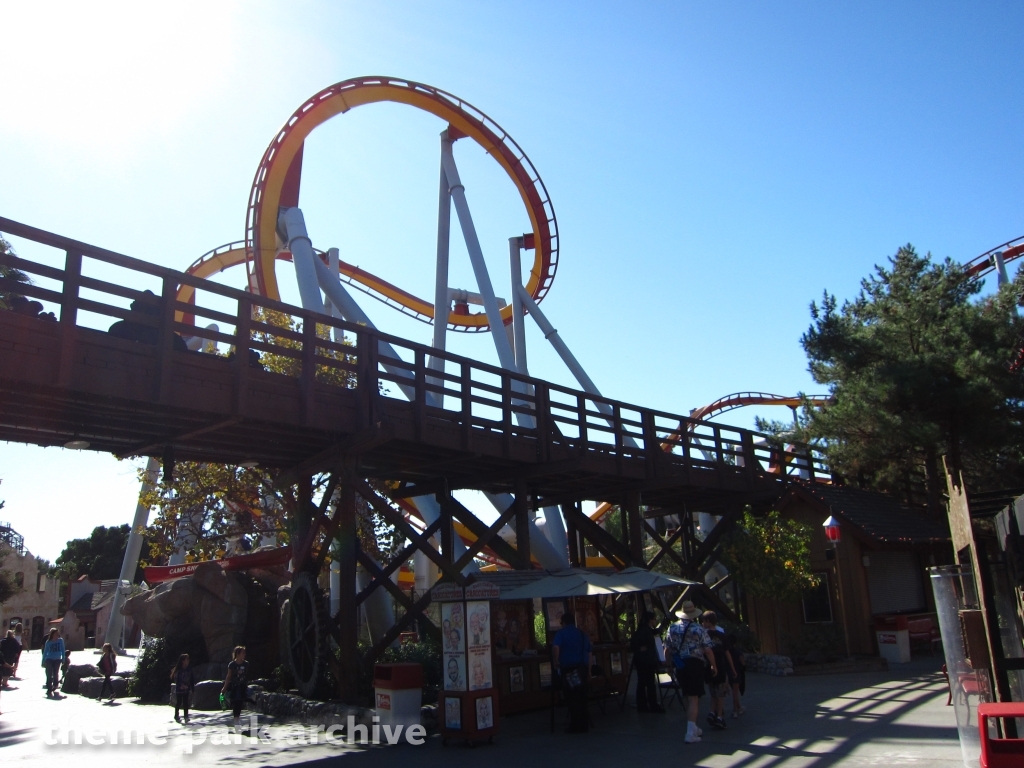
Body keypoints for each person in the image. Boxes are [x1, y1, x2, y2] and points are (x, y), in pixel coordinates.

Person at [665, 601, 717, 743]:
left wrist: (669, 666)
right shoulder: (698, 629)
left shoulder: (672, 628)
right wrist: (714, 665)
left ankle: (693, 726)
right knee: (694, 697)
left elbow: (667, 648)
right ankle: (690, 733)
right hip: (695, 663)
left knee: (687, 695)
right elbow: (707, 649)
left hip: (680, 664)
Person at [551, 611, 594, 734]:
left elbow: (555, 647)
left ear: (563, 622)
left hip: (569, 669)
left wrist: (556, 661)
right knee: (582, 697)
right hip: (582, 669)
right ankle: (584, 725)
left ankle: (575, 725)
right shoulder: (582, 634)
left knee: (572, 697)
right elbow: (590, 654)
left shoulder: (561, 634)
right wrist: (589, 670)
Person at [700, 611, 735, 731]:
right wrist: (732, 668)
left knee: (713, 691)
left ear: (708, 622)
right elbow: (727, 653)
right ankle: (719, 716)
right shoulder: (722, 636)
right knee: (721, 693)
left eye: (704, 621)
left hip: (707, 667)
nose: (702, 623)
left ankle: (711, 712)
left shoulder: (704, 636)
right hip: (720, 666)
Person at [630, 611, 663, 713]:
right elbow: (635, 643)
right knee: (649, 683)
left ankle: (643, 704)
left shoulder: (644, 629)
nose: (655, 621)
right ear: (650, 620)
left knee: (642, 682)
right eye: (654, 619)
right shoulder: (645, 631)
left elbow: (654, 632)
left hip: (642, 661)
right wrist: (640, 649)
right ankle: (651, 704)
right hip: (646, 661)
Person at [221, 646, 249, 733]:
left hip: (243, 686)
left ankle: (237, 718)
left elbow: (246, 675)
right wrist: (224, 688)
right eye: (243, 653)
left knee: (240, 703)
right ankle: (236, 720)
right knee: (236, 702)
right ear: (238, 654)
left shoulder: (246, 664)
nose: (244, 654)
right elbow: (229, 676)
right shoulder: (232, 665)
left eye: (244, 653)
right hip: (235, 686)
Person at [725, 632, 746, 717]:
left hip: (728, 673)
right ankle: (735, 710)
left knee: (734, 692)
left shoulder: (726, 652)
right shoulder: (737, 652)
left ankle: (739, 707)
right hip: (736, 672)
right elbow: (743, 663)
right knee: (735, 692)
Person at [170, 653, 196, 723]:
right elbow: (176, 680)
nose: (188, 661)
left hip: (186, 689)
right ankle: (176, 715)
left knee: (186, 702)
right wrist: (181, 685)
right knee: (179, 702)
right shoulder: (179, 670)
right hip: (179, 689)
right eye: (187, 659)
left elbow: (192, 679)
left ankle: (186, 716)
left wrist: (192, 689)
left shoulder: (189, 670)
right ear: (183, 661)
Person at [42, 628, 65, 697]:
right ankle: (49, 688)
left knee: (55, 673)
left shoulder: (60, 641)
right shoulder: (48, 642)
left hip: (57, 659)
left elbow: (63, 650)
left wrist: (63, 658)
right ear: (52, 634)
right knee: (49, 673)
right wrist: (43, 661)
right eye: (55, 634)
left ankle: (55, 685)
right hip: (49, 659)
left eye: (57, 634)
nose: (56, 635)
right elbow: (45, 652)